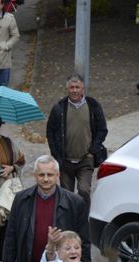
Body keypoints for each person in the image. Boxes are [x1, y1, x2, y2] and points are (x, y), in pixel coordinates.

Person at [46, 74, 108, 208]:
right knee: (66, 195)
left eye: (77, 87)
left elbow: (102, 130)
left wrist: (93, 150)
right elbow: (50, 131)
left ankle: (83, 220)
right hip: (65, 161)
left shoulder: (93, 106)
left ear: (83, 88)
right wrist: (56, 155)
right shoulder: (59, 108)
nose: (74, 90)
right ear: (67, 89)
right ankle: (68, 221)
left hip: (86, 159)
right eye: (71, 87)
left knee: (84, 190)